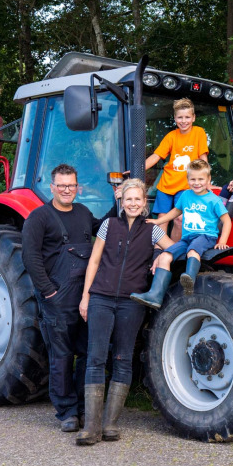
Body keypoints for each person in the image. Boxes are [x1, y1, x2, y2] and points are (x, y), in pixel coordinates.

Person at [75, 179, 174, 445]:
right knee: (95, 358)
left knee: (122, 359)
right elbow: (94, 260)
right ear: (122, 201)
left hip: (132, 301)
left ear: (144, 203)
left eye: (137, 200)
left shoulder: (152, 230)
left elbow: (175, 247)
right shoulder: (109, 225)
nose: (132, 204)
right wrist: (86, 296)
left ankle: (110, 425)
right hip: (101, 298)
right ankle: (91, 428)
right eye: (128, 199)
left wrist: (163, 258)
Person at [21, 163, 103, 432]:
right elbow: (30, 258)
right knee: (62, 356)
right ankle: (66, 411)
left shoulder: (83, 212)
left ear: (78, 187)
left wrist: (120, 203)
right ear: (52, 187)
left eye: (72, 185)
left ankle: (82, 408)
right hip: (57, 296)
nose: (67, 190)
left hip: (84, 296)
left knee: (87, 352)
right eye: (62, 185)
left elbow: (102, 229)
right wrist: (48, 291)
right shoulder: (39, 218)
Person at [131, 159, 231, 309]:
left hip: (205, 236)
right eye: (193, 179)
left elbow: (227, 221)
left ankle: (189, 279)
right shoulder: (185, 196)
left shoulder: (213, 200)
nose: (197, 183)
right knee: (164, 256)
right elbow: (176, 211)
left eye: (201, 179)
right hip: (187, 238)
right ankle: (155, 295)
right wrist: (158, 221)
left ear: (208, 179)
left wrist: (222, 240)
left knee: (193, 251)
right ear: (187, 180)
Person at [145, 97, 209, 240]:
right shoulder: (171, 136)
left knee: (179, 220)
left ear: (193, 118)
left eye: (187, 117)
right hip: (167, 184)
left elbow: (203, 158)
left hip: (186, 185)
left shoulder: (199, 132)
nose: (183, 120)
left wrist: (207, 181)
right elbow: (156, 156)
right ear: (175, 118)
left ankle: (173, 252)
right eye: (180, 117)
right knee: (163, 218)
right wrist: (136, 169)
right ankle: (158, 252)